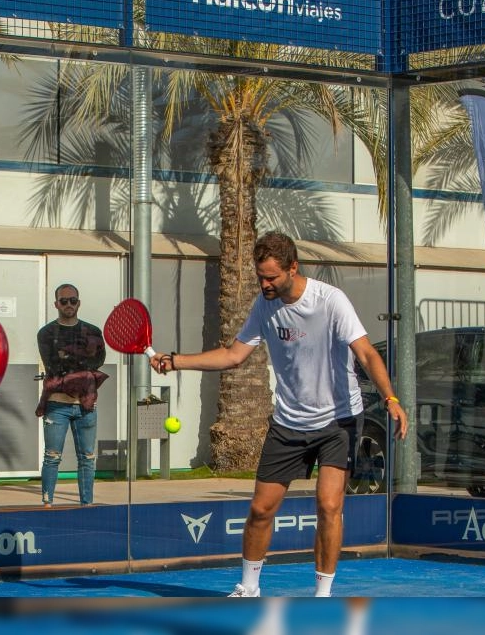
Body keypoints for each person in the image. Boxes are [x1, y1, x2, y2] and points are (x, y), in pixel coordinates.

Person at [150, 232, 408, 597]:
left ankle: (322, 595)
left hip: (339, 421)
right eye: (261, 277)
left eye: (272, 277)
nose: (265, 284)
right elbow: (233, 355)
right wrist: (177, 361)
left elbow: (366, 352)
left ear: (293, 267)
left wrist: (391, 397)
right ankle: (249, 587)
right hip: (288, 423)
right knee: (260, 509)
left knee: (329, 505)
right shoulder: (264, 305)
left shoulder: (331, 301)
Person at [36, 283, 106, 507]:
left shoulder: (93, 331)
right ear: (56, 304)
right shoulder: (47, 333)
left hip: (85, 403)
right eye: (64, 301)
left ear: (79, 302)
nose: (68, 305)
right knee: (52, 456)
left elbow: (97, 361)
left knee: (87, 458)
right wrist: (81, 367)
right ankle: (48, 503)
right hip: (58, 404)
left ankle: (87, 504)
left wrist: (73, 364)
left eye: (72, 300)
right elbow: (54, 365)